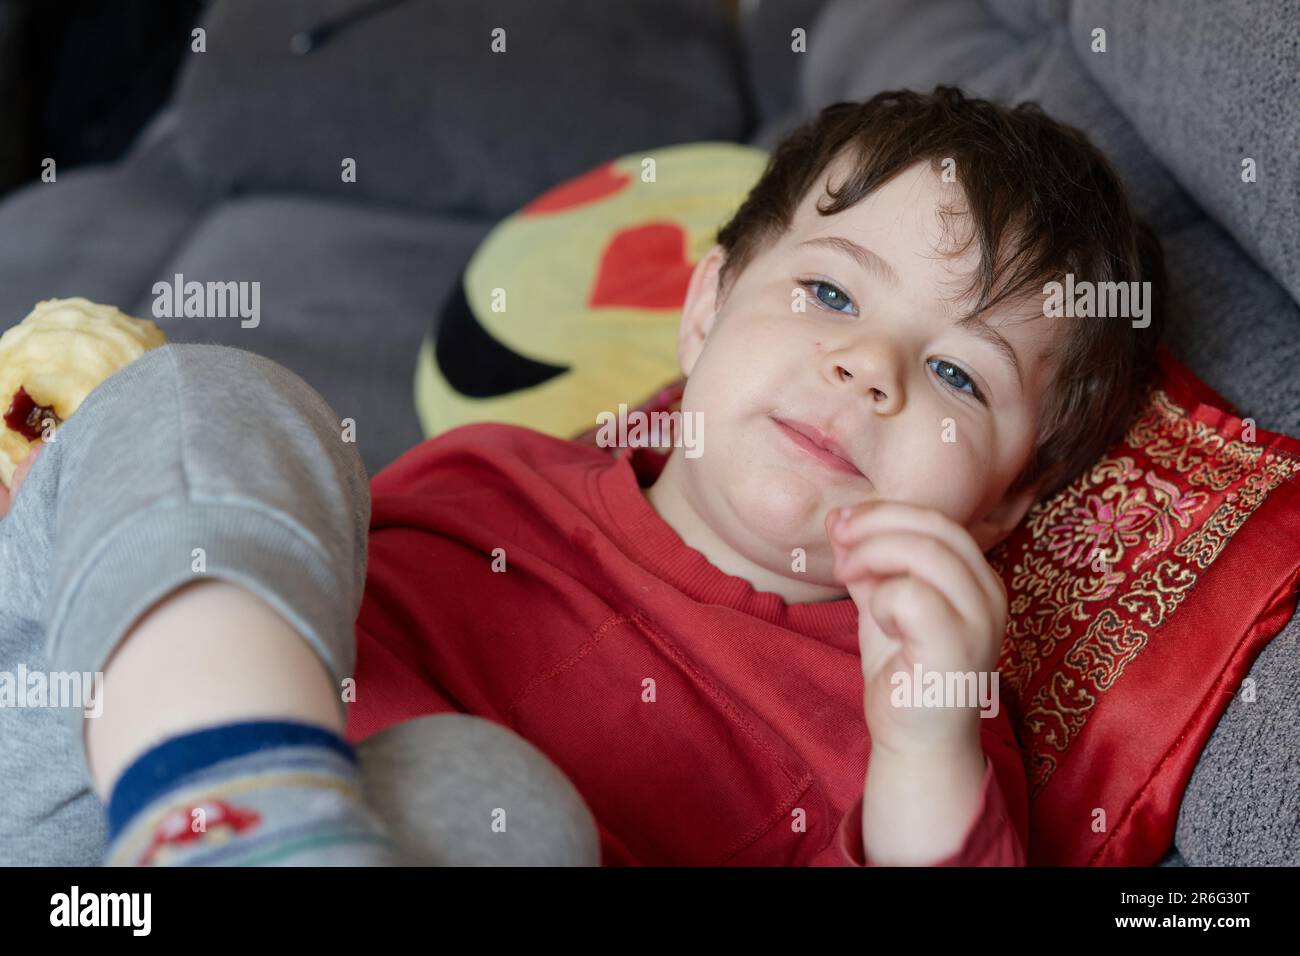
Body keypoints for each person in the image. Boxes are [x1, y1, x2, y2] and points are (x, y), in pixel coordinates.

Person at [0, 86, 1164, 866]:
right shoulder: (500, 474)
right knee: (217, 397)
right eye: (830, 293)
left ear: (1011, 499)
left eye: (959, 374)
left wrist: (925, 745)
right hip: (89, 793)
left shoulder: (918, 715)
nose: (870, 367)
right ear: (705, 311)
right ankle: (231, 804)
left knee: (494, 799)